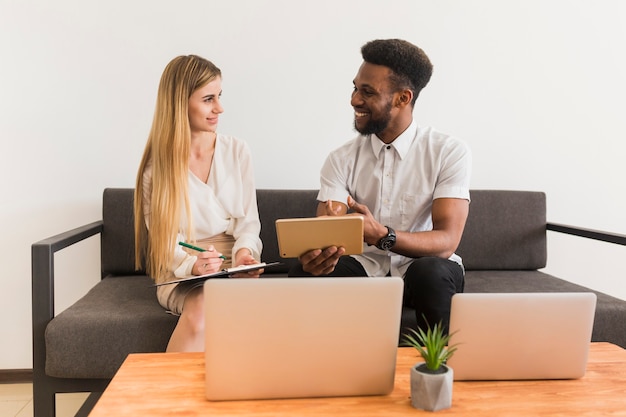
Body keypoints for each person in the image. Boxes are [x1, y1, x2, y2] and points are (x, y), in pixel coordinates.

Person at [290, 39, 472, 333]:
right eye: (355, 88)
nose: (354, 100)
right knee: (302, 272)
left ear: (403, 98)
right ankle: (317, 369)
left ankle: (439, 370)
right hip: (364, 266)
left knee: (431, 272)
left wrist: (382, 235)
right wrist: (319, 255)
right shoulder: (341, 159)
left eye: (367, 92)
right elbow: (328, 223)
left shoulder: (448, 152)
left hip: (422, 268)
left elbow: (447, 241)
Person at [134, 55, 263, 352]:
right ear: (180, 103)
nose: (219, 108)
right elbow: (165, 241)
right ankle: (176, 397)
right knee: (203, 309)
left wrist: (245, 254)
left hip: (231, 267)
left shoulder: (237, 151)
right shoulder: (157, 170)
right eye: (208, 99)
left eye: (219, 96)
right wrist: (194, 265)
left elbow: (249, 223)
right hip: (183, 271)